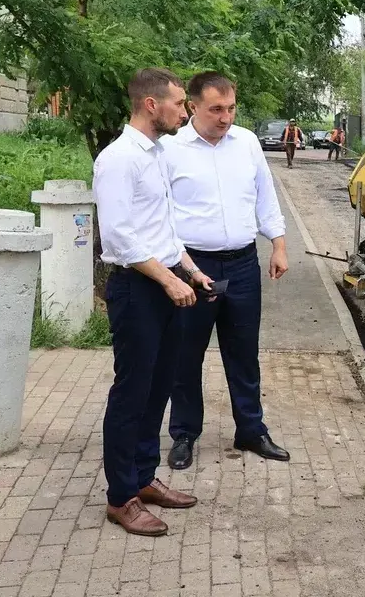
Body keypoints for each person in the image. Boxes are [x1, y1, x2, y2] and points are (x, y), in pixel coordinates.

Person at [93, 67, 210, 536]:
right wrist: (167, 280)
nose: (185, 111)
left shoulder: (157, 154)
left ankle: (143, 478)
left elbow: (162, 229)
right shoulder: (120, 158)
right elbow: (119, 236)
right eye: (180, 104)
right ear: (150, 105)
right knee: (131, 392)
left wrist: (190, 269)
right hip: (137, 287)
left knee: (159, 386)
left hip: (165, 282)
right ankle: (121, 497)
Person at [163, 71, 291, 470]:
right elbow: (161, 214)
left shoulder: (247, 143)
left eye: (231, 108)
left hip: (242, 265)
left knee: (244, 352)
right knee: (186, 355)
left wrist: (279, 244)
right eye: (216, 109)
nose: (225, 117)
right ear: (193, 107)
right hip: (192, 267)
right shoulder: (170, 149)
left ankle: (251, 430)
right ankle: (184, 433)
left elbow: (265, 195)